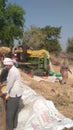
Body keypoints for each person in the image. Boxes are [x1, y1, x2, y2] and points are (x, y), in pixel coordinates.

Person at [1, 57, 24, 130]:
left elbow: (10, 83)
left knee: (9, 114)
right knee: (14, 112)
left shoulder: (13, 71)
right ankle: (14, 126)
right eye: (5, 65)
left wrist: (4, 92)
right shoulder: (13, 69)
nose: (6, 67)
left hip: (14, 94)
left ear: (10, 64)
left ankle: (9, 128)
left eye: (7, 65)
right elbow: (9, 81)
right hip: (17, 93)